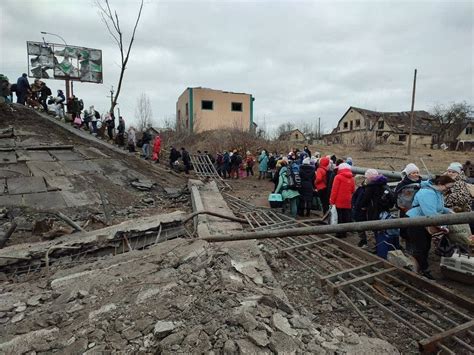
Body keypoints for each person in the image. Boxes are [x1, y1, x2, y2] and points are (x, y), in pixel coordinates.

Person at [406, 175, 455, 279]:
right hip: (415, 221)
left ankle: (421, 266)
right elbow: (430, 213)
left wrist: (447, 210)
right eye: (448, 187)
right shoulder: (427, 193)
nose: (448, 190)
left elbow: (438, 207)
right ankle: (422, 270)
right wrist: (443, 226)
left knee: (426, 246)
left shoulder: (438, 192)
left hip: (424, 221)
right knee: (420, 247)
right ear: (440, 184)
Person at [395, 163, 422, 247]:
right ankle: (408, 246)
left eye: (417, 172)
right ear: (408, 174)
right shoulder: (402, 184)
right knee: (406, 229)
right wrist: (401, 207)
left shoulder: (422, 184)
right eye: (413, 173)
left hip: (418, 210)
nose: (416, 174)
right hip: (405, 210)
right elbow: (397, 197)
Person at [329, 163, 355, 238]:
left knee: (339, 217)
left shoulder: (338, 177)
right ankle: (344, 233)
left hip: (339, 201)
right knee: (346, 217)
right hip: (348, 201)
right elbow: (353, 190)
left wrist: (331, 201)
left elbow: (334, 190)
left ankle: (339, 233)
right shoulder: (352, 178)